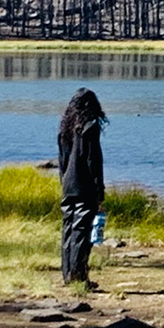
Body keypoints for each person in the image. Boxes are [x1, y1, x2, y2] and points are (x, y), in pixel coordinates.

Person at [56, 87, 107, 288]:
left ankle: (68, 274)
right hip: (84, 186)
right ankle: (79, 276)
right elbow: (93, 161)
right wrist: (99, 191)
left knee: (68, 229)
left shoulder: (64, 129)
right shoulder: (90, 127)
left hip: (68, 184)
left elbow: (62, 161)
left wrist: (63, 182)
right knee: (81, 232)